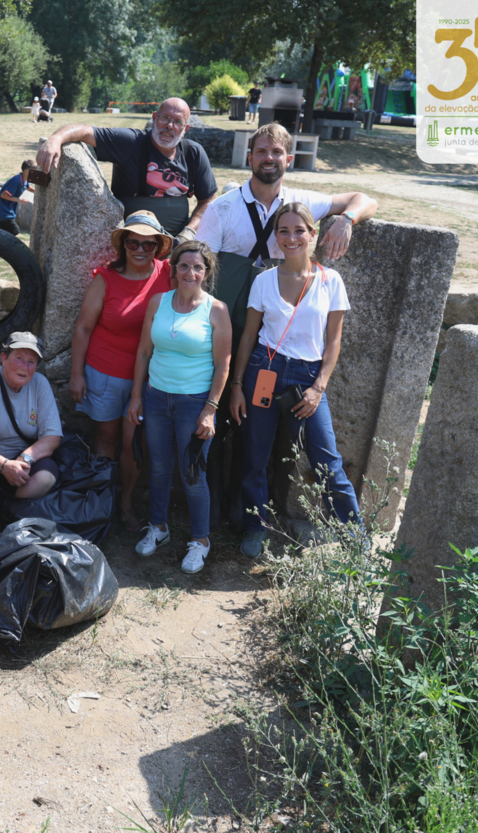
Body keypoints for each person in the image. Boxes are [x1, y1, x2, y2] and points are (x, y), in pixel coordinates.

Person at [194, 122, 377, 528]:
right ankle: (219, 516)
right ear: (250, 157)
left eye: (276, 153)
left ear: (288, 160)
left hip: (278, 340)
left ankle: (260, 518)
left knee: (270, 441)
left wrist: (346, 219)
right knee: (220, 422)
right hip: (232, 331)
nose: (269, 159)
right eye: (261, 152)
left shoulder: (300, 201)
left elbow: (364, 197)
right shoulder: (224, 208)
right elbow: (201, 268)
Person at [227, 203, 361, 558]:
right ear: (276, 237)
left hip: (307, 376)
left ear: (313, 234)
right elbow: (248, 338)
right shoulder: (263, 281)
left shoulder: (331, 281)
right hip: (264, 370)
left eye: (299, 230)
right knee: (256, 456)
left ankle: (353, 532)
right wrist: (237, 385)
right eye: (283, 231)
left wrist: (319, 388)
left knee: (326, 459)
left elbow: (334, 341)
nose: (291, 238)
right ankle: (256, 528)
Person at [127, 241, 232, 575]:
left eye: (197, 267)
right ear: (173, 270)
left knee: (192, 473)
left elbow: (223, 364)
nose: (190, 272)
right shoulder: (158, 302)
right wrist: (136, 396)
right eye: (184, 266)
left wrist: (210, 409)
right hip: (157, 396)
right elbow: (144, 352)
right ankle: (158, 527)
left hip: (194, 402)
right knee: (157, 467)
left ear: (206, 272)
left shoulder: (216, 310)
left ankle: (200, 541)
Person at [69, 211, 174, 531]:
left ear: (159, 247)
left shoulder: (168, 274)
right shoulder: (106, 278)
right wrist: (76, 374)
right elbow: (83, 329)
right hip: (105, 370)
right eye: (133, 242)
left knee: (134, 443)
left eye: (149, 244)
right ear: (123, 245)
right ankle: (100, 501)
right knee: (106, 436)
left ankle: (126, 503)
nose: (141, 249)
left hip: (150, 377)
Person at [34, 98, 218, 236]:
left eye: (178, 122)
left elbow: (208, 200)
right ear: (154, 118)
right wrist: (56, 139)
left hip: (176, 241)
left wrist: (187, 234)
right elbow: (84, 130)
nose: (169, 126)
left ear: (186, 129)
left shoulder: (193, 153)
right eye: (165, 118)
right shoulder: (131, 143)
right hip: (132, 242)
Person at [0, 332, 63, 500]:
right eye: (19, 358)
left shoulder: (39, 384)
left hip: (23, 461)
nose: (25, 367)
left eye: (31, 361)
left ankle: (9, 513)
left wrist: (24, 459)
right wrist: (4, 466)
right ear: (4, 358)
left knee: (45, 478)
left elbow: (52, 437)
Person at [0, 160, 35, 237]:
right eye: (34, 172)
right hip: (2, 210)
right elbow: (3, 195)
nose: (36, 174)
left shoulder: (24, 179)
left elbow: (28, 187)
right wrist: (19, 200)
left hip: (6, 209)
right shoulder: (17, 181)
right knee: (14, 230)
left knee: (4, 232)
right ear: (27, 172)